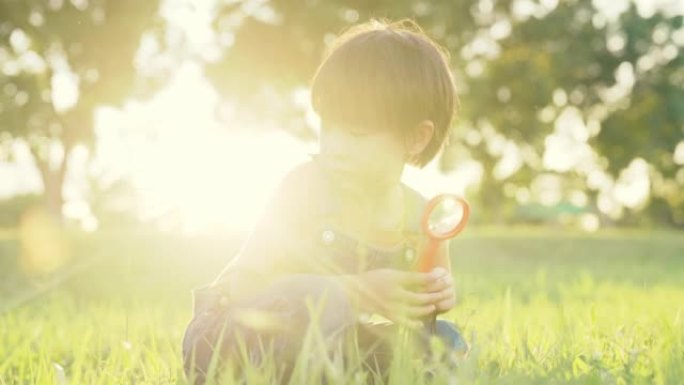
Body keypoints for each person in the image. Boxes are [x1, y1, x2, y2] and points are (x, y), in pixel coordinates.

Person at [182, 18, 468, 384]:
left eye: (355, 133)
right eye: (327, 126)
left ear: (416, 138)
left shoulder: (421, 216)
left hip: (324, 351)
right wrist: (357, 291)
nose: (334, 147)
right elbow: (245, 288)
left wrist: (432, 297)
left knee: (443, 339)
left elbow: (414, 310)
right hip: (228, 339)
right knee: (324, 299)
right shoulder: (302, 189)